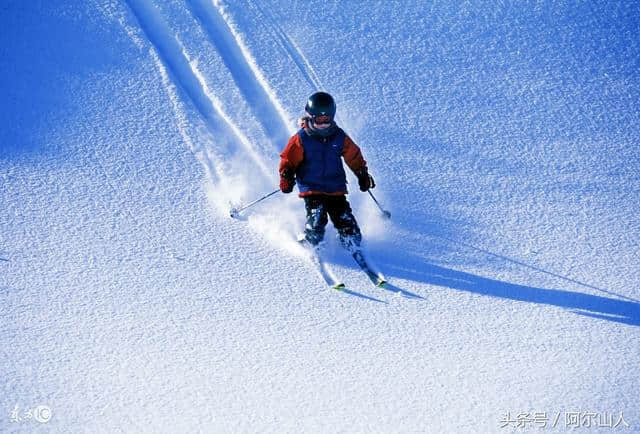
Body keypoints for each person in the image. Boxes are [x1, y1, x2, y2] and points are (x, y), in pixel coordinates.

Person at [278, 91, 375, 251]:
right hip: (312, 188)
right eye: (319, 120)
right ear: (310, 116)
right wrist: (286, 176)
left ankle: (350, 240)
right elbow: (288, 159)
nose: (323, 124)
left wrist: (362, 173)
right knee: (317, 219)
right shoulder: (302, 138)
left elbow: (353, 155)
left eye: (327, 119)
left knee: (345, 220)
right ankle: (311, 241)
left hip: (335, 188)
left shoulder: (339, 136)